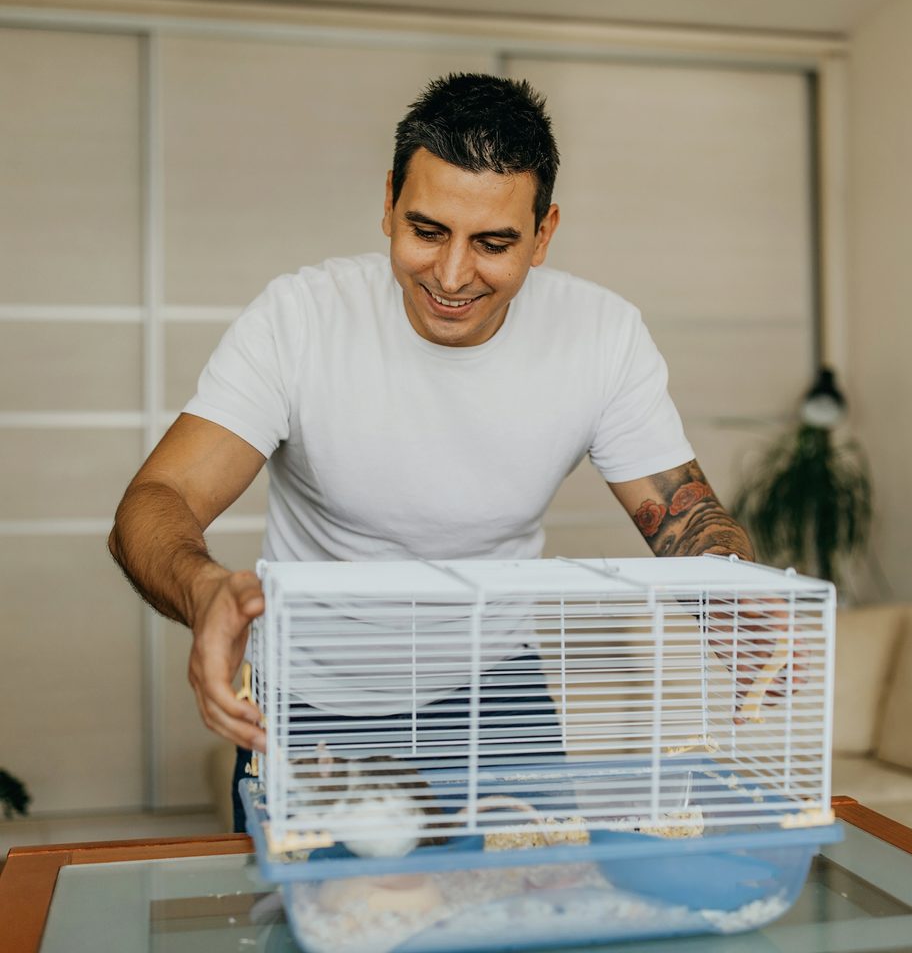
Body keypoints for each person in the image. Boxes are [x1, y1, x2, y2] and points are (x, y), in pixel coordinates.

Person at [108, 73, 757, 830]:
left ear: (543, 235)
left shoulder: (603, 337)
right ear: (387, 203)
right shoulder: (300, 319)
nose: (451, 276)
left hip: (498, 690)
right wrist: (204, 590)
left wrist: (737, 596)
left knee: (537, 918)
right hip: (317, 699)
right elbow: (157, 503)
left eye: (493, 243)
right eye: (426, 231)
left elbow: (686, 520)